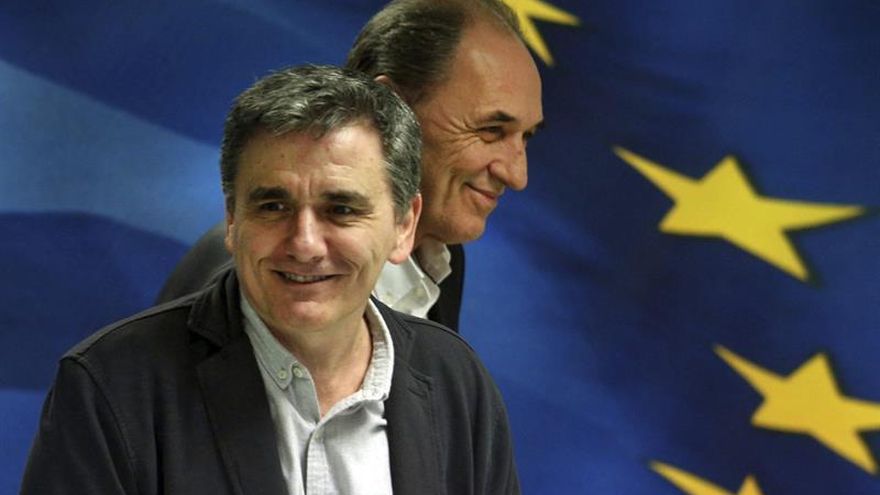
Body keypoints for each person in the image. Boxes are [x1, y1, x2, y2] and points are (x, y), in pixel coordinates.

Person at [21, 65, 520, 494]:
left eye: (341, 209)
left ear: (404, 225)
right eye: (273, 206)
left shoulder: (457, 383)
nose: (304, 243)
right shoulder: (109, 388)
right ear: (232, 219)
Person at [157, 0, 544, 333]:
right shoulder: (257, 268)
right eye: (491, 131)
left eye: (525, 137)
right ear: (392, 108)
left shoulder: (440, 257)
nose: (517, 176)